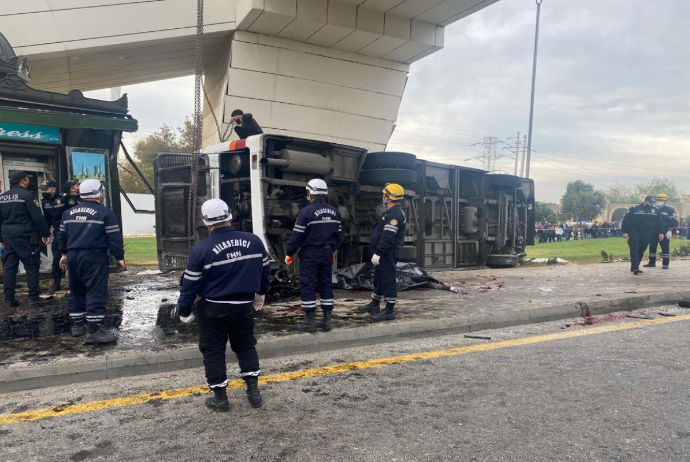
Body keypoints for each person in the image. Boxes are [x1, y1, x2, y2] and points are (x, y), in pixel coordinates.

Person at [177, 199, 270, 412]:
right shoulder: (254, 241)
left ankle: (221, 399)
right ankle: (253, 392)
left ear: (205, 221)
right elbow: (265, 272)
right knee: (246, 345)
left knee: (213, 351)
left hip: (213, 309)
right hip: (244, 306)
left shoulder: (200, 249)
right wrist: (261, 294)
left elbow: (190, 285)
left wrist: (184, 310)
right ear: (230, 215)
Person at [58, 179, 125, 343]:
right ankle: (94, 330)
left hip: (73, 256)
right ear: (98, 193)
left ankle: (77, 325)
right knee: (96, 290)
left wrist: (64, 255)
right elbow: (114, 238)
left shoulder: (68, 213)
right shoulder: (105, 213)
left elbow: (61, 236)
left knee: (76, 288)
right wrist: (120, 258)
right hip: (94, 256)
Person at [285, 179, 342, 333]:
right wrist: (332, 251)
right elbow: (339, 236)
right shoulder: (335, 212)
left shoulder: (306, 212)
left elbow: (297, 235)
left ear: (309, 193)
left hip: (310, 253)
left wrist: (289, 252)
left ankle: (309, 321)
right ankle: (327, 320)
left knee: (308, 284)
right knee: (325, 283)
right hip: (327, 252)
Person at [0, 171, 53, 307]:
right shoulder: (28, 196)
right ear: (23, 180)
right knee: (31, 267)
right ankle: (34, 298)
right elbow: (37, 218)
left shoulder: (2, 198)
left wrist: (1, 239)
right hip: (26, 237)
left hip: (8, 237)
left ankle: (9, 299)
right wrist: (46, 234)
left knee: (10, 269)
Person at [358, 183, 407, 321]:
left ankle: (389, 309)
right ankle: (375, 304)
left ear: (388, 197)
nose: (383, 197)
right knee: (379, 277)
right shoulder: (391, 211)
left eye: (384, 195)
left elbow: (387, 237)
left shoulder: (395, 214)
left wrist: (378, 252)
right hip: (385, 251)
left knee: (387, 279)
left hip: (387, 252)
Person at [621, 195, 662, 275]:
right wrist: (624, 232)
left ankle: (635, 266)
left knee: (641, 249)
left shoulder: (655, 210)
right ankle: (635, 267)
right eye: (650, 202)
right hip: (634, 232)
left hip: (647, 232)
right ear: (645, 201)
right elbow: (626, 220)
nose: (651, 204)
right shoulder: (634, 209)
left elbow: (659, 223)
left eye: (653, 202)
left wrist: (661, 232)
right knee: (634, 248)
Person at [40, 179, 66, 291]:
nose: (43, 191)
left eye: (45, 189)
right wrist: (45, 233)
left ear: (53, 189)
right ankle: (56, 282)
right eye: (42, 189)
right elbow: (47, 219)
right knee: (56, 259)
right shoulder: (44, 202)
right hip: (58, 233)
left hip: (71, 232)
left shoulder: (65, 198)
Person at [644, 193, 678, 269]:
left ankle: (665, 264)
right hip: (653, 231)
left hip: (665, 231)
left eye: (661, 200)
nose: (659, 201)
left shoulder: (670, 210)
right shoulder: (654, 209)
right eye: (658, 200)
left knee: (665, 247)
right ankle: (651, 262)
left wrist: (670, 231)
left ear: (666, 201)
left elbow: (672, 221)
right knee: (652, 247)